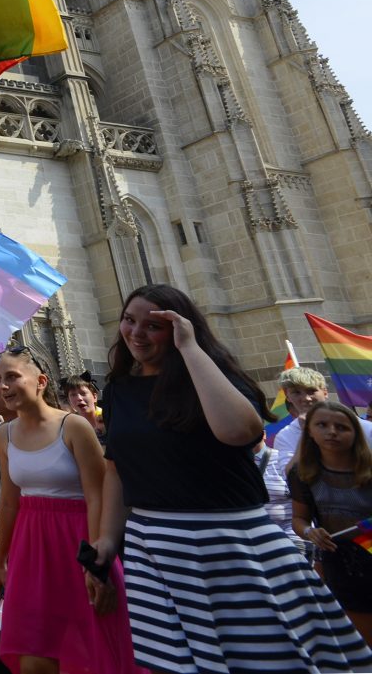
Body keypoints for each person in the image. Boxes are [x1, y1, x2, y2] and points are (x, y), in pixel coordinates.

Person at [94, 284, 371, 673]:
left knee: (264, 658)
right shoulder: (119, 389)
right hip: (152, 545)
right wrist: (106, 539)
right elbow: (116, 469)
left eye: (153, 326)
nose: (136, 333)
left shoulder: (213, 376)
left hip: (228, 540)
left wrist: (190, 350)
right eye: (128, 320)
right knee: (173, 663)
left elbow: (240, 432)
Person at [0, 346, 141, 674]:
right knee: (34, 654)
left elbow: (97, 497)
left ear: (40, 381)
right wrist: (1, 561)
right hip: (30, 548)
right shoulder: (3, 435)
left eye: (12, 377)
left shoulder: (73, 427)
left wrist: (95, 564)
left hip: (77, 543)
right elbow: (8, 502)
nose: (2, 386)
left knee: (90, 649)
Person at [290, 400, 372, 648]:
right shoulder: (301, 473)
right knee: (362, 638)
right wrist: (309, 531)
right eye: (322, 425)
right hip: (340, 561)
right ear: (310, 431)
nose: (332, 432)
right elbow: (299, 519)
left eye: (341, 427)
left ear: (355, 433)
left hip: (370, 547)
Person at [271, 367, 372, 490]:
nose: (306, 398)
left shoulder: (363, 427)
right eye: (296, 392)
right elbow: (292, 478)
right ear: (287, 396)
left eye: (311, 391)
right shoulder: (285, 436)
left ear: (325, 392)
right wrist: (306, 433)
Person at [59, 372, 104, 442]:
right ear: (69, 400)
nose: (79, 398)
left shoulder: (110, 416)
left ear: (94, 396)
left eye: (83, 393)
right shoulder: (69, 428)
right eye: (73, 395)